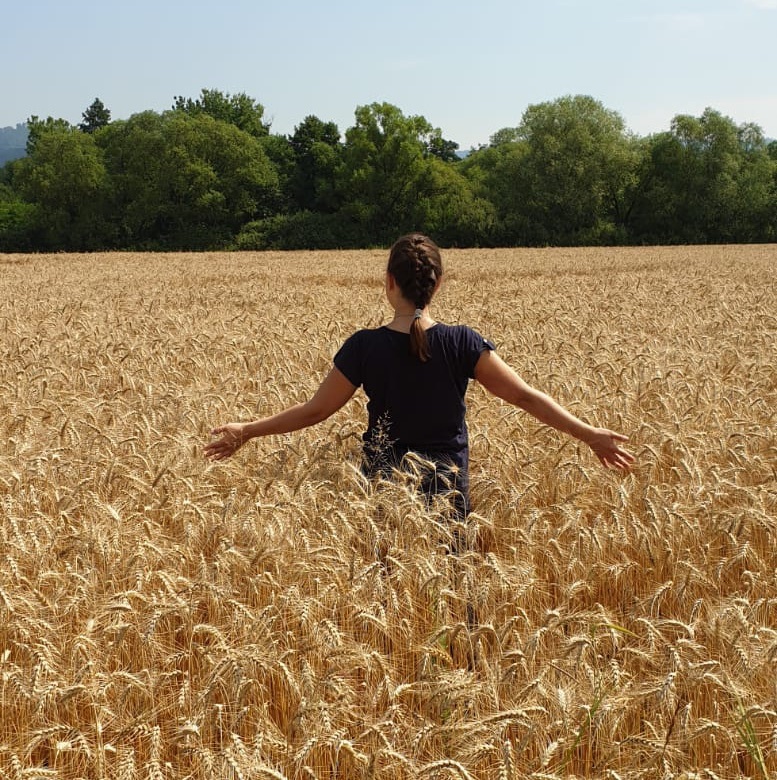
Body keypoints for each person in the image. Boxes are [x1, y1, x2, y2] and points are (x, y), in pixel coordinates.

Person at [204, 233, 634, 518]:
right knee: (450, 580)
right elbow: (525, 396)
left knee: (391, 592)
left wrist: (248, 430)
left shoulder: (363, 346)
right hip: (448, 484)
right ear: (438, 284)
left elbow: (316, 410)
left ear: (389, 282)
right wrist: (588, 433)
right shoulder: (464, 343)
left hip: (384, 484)